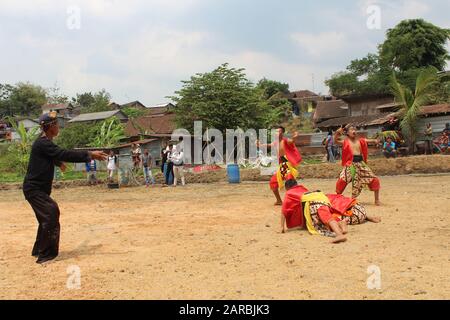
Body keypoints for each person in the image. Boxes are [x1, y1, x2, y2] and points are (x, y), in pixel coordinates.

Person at [23, 112, 107, 264]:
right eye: (55, 124)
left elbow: (53, 155)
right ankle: (46, 255)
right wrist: (90, 154)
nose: (58, 126)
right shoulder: (43, 143)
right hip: (34, 189)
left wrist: (58, 163)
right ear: (49, 127)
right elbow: (62, 153)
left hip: (38, 189)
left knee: (46, 217)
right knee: (51, 212)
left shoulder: (44, 142)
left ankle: (38, 250)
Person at [281, 179, 381, 244]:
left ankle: (339, 235)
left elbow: (284, 210)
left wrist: (282, 226)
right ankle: (342, 226)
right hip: (323, 199)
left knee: (327, 218)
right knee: (329, 216)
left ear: (287, 188)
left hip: (315, 203)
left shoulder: (289, 193)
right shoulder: (303, 189)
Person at [334, 125, 381, 206]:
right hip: (350, 164)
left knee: (374, 179)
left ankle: (377, 200)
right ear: (347, 133)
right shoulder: (345, 141)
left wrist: (375, 141)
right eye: (352, 129)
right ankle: (336, 199)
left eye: (355, 129)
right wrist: (337, 133)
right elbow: (336, 141)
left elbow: (368, 140)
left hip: (360, 164)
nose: (354, 131)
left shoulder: (360, 140)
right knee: (342, 180)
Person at [256, 126, 302, 206]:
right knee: (273, 183)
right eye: (276, 132)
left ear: (282, 133)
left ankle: (296, 200)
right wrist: (260, 145)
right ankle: (279, 201)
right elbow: (268, 145)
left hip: (288, 165)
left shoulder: (286, 141)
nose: (276, 133)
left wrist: (295, 137)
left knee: (290, 183)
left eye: (278, 131)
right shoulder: (275, 142)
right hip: (281, 165)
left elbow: (291, 141)